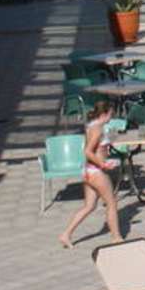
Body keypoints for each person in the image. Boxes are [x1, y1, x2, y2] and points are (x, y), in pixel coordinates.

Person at [59, 101, 123, 247]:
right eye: (110, 114)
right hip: (97, 172)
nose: (111, 117)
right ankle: (116, 237)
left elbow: (102, 144)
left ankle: (66, 234)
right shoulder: (97, 129)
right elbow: (88, 151)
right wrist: (103, 164)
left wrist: (114, 136)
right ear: (104, 114)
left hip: (88, 171)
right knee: (111, 203)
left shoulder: (94, 126)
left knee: (89, 206)